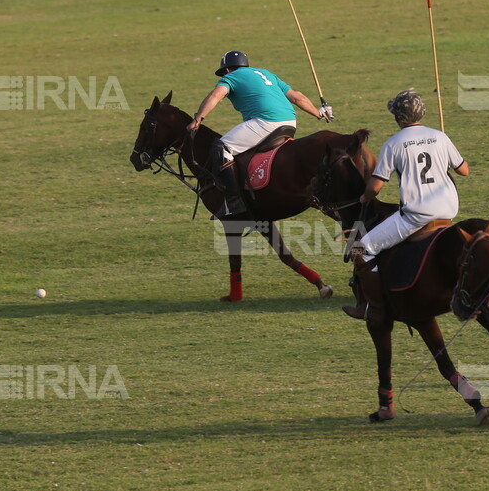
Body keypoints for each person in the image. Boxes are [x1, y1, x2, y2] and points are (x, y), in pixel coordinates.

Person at [343, 90, 469, 321]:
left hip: (416, 217)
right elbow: (464, 170)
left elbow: (376, 187)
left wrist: (365, 197)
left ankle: (374, 308)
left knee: (360, 249)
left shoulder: (393, 143)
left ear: (399, 118)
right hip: (449, 209)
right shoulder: (440, 136)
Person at [187, 50, 332, 216]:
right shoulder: (266, 73)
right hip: (289, 122)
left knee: (221, 147)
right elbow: (298, 97)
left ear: (227, 70)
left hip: (266, 122)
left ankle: (234, 203)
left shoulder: (230, 78)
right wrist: (319, 113)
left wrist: (198, 119)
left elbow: (215, 96)